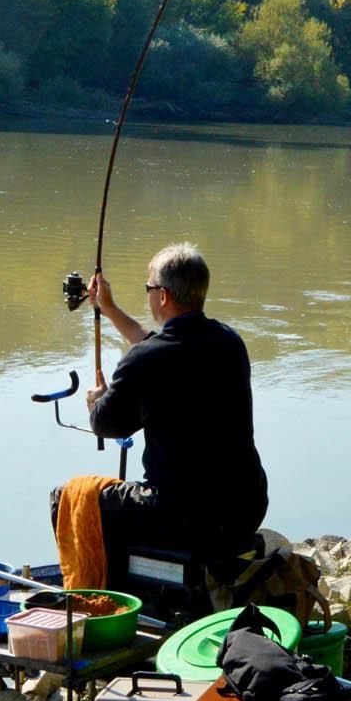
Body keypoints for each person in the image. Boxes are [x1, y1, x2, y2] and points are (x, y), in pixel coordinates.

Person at [67, 242, 268, 570]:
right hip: (246, 507)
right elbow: (161, 347)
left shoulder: (146, 361)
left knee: (70, 498)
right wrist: (109, 308)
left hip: (181, 515)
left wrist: (98, 401)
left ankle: (112, 595)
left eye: (148, 288)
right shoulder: (230, 343)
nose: (147, 294)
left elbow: (105, 424)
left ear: (162, 296)